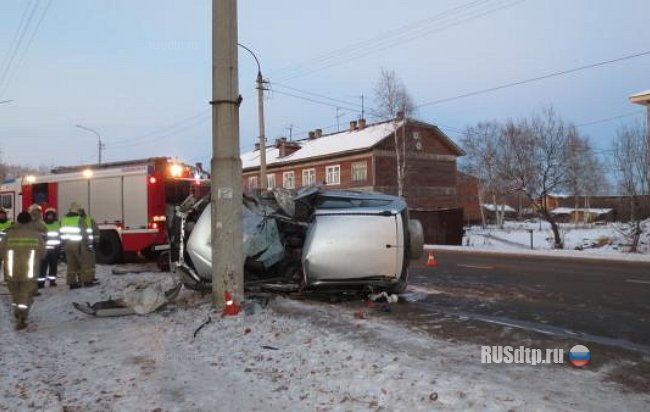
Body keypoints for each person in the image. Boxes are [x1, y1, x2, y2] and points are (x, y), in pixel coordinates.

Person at [0, 211, 45, 330]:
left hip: (11, 270)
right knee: (26, 294)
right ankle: (22, 315)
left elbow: (1, 251)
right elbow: (43, 253)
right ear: (30, 221)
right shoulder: (35, 235)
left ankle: (17, 310)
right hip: (29, 270)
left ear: (18, 221)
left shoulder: (9, 234)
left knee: (16, 293)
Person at [60, 202, 87, 289]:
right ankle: (82, 280)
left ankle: (72, 283)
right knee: (81, 263)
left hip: (67, 244)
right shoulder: (79, 219)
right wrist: (86, 243)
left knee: (71, 264)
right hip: (77, 244)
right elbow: (84, 233)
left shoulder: (64, 219)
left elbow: (61, 232)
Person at [28, 204, 48, 288]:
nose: (37, 214)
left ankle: (38, 283)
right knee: (37, 267)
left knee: (38, 267)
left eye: (38, 212)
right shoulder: (39, 223)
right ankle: (37, 284)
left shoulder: (29, 223)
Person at [78, 208, 99, 286]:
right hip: (82, 245)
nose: (79, 214)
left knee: (91, 262)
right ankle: (86, 280)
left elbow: (96, 230)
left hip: (89, 244)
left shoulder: (89, 220)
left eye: (80, 212)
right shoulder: (77, 221)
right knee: (85, 263)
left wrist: (96, 242)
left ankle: (91, 277)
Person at [41, 208, 61, 287]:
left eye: (51, 215)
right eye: (49, 215)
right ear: (45, 216)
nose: (50, 217)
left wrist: (60, 248)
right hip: (44, 250)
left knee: (53, 266)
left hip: (55, 250)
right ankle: (41, 283)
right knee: (43, 267)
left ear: (54, 216)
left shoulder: (57, 224)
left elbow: (60, 236)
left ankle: (52, 281)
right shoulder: (42, 224)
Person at [0, 207, 13, 281]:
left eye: (3, 214)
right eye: (0, 214)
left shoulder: (10, 223)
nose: (2, 215)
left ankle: (7, 278)